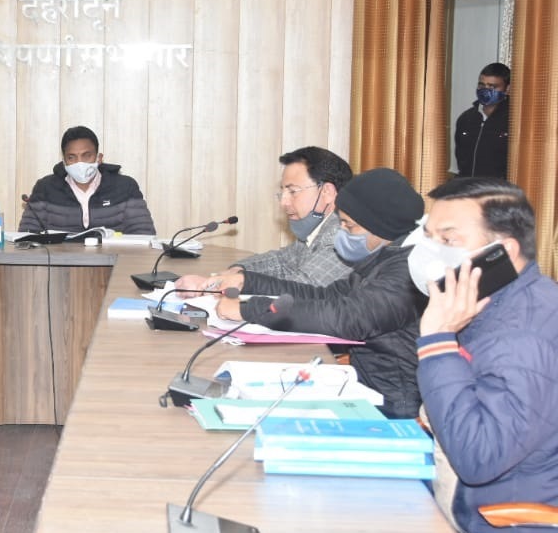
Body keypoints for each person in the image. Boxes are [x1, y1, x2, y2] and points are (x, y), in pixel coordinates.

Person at [210, 168, 425, 418]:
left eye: (349, 226)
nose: (342, 233)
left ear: (380, 227)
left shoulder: (408, 270)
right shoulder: (381, 261)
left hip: (396, 410)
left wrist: (250, 310)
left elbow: (348, 318)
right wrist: (248, 282)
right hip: (367, 391)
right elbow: (324, 296)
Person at [412, 178, 558, 533]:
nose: (431, 252)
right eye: (429, 237)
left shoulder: (522, 337)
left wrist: (437, 342)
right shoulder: (492, 302)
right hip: (456, 498)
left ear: (502, 252)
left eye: (448, 241)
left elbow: (479, 457)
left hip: (499, 520)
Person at [176, 147, 353, 291]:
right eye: (283, 192)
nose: (284, 202)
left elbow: (302, 288)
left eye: (293, 191)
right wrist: (238, 270)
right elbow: (281, 262)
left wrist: (231, 282)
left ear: (327, 192)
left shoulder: (343, 236)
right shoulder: (318, 230)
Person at [18, 126, 155, 235]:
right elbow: (27, 236)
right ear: (64, 161)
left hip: (114, 260)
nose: (80, 163)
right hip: (59, 261)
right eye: (71, 157)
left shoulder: (125, 187)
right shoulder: (45, 188)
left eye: (86, 156)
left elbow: (144, 234)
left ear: (99, 158)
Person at [453, 62, 510, 178]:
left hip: (498, 189)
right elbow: (460, 159)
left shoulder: (513, 122)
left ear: (507, 89)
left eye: (492, 86)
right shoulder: (466, 119)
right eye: (482, 85)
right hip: (467, 187)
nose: (485, 90)